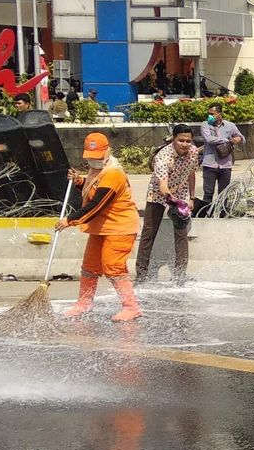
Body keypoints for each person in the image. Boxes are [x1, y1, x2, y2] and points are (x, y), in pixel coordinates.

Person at [57, 132, 142, 322]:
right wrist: (80, 181)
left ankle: (131, 307)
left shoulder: (113, 173)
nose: (93, 161)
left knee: (113, 267)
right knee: (90, 266)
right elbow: (92, 189)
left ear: (107, 152)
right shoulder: (98, 170)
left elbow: (96, 204)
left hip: (120, 227)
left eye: (97, 157)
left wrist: (69, 220)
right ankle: (84, 303)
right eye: (89, 157)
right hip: (101, 226)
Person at [135, 124, 199, 283]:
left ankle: (180, 274)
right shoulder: (163, 157)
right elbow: (162, 184)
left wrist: (191, 197)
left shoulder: (193, 151)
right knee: (149, 232)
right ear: (173, 139)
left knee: (181, 231)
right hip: (159, 192)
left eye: (188, 141)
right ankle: (141, 275)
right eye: (181, 140)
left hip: (181, 190)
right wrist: (172, 200)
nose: (185, 144)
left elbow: (191, 173)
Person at [200, 102, 245, 217]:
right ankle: (206, 215)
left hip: (225, 165)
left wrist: (238, 139)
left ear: (219, 114)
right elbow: (209, 139)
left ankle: (223, 215)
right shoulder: (205, 125)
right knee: (208, 193)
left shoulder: (230, 126)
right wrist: (226, 140)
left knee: (224, 193)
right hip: (210, 164)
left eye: (212, 114)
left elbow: (242, 138)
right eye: (209, 114)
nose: (210, 116)